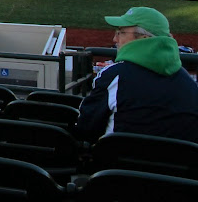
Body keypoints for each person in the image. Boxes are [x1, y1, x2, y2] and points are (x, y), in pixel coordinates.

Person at [77, 7, 198, 143]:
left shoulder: (113, 77)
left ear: (144, 38)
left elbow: (86, 129)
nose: (114, 39)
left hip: (118, 162)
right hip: (178, 163)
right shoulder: (189, 83)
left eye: (121, 32)